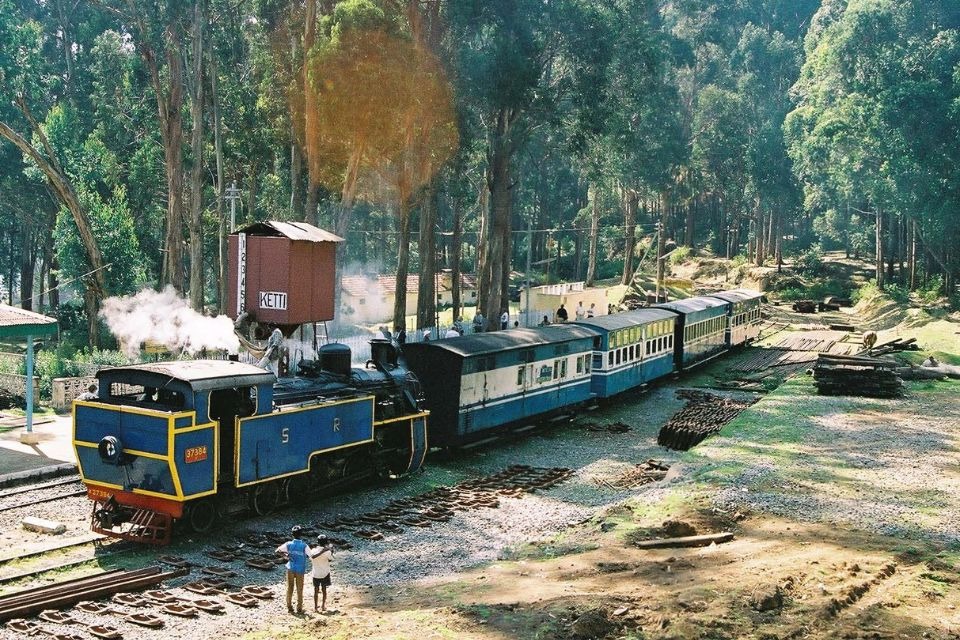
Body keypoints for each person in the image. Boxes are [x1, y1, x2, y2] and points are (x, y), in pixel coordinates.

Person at [276, 525, 312, 614]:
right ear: (301, 534)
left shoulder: (288, 544)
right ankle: (299, 608)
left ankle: (289, 607)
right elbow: (311, 555)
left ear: (292, 534)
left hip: (290, 568)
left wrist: (286, 556)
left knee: (290, 588)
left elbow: (277, 551)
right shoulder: (304, 545)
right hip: (300, 569)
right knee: (300, 589)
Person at [310, 534, 334, 612]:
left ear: (318, 542)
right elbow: (331, 559)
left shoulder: (313, 550)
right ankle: (323, 606)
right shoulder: (327, 552)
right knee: (324, 590)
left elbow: (312, 557)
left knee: (316, 590)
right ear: (326, 542)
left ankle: (315, 607)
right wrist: (331, 551)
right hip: (325, 573)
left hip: (315, 573)